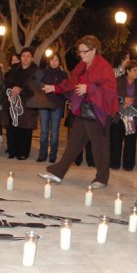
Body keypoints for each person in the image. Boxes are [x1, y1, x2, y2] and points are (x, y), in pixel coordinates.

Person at [39, 35, 118, 189]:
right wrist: (54, 88)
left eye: (84, 51)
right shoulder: (82, 66)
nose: (81, 55)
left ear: (94, 50)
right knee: (73, 144)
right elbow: (71, 83)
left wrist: (89, 88)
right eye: (79, 52)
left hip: (98, 113)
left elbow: (110, 91)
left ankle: (102, 178)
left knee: (99, 147)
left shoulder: (104, 67)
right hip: (83, 111)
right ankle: (58, 173)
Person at [110, 60, 137, 171]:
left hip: (132, 116)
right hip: (119, 115)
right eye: (134, 70)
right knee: (116, 140)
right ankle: (114, 163)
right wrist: (124, 99)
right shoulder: (119, 80)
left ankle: (128, 165)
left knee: (130, 141)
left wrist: (132, 101)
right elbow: (113, 93)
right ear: (128, 71)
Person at [4, 47, 39, 160]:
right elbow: (7, 80)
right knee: (13, 126)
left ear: (32, 58)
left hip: (28, 102)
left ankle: (23, 152)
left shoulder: (36, 71)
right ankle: (12, 150)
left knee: (25, 128)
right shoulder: (15, 68)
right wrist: (13, 86)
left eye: (28, 56)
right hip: (13, 101)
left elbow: (37, 87)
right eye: (23, 56)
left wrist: (21, 89)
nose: (25, 58)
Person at [37, 53, 67, 163]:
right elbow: (35, 83)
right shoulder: (42, 72)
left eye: (56, 60)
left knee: (54, 131)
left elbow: (65, 88)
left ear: (60, 62)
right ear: (49, 61)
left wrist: (54, 89)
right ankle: (42, 154)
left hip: (57, 105)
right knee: (44, 131)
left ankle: (53, 155)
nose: (54, 62)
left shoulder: (63, 74)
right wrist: (43, 87)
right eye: (52, 60)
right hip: (44, 104)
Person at [2, 53, 21, 157]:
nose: (14, 62)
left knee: (17, 125)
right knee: (9, 126)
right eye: (13, 60)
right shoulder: (8, 73)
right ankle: (10, 147)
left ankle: (16, 148)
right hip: (9, 101)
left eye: (16, 60)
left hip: (19, 102)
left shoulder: (22, 72)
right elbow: (6, 85)